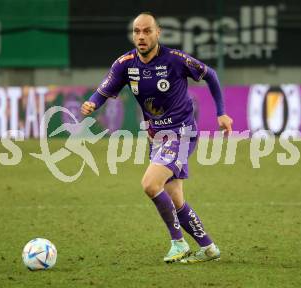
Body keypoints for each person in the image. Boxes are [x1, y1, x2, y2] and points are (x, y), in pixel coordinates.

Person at [80, 12, 233, 263]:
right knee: (175, 200)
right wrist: (91, 104)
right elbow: (103, 91)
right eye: (137, 31)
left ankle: (178, 243)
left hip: (181, 132)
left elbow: (211, 75)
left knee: (150, 184)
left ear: (158, 32)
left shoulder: (174, 59)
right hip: (157, 137)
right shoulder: (125, 64)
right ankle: (209, 249)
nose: (141, 36)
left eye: (147, 31)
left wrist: (222, 113)